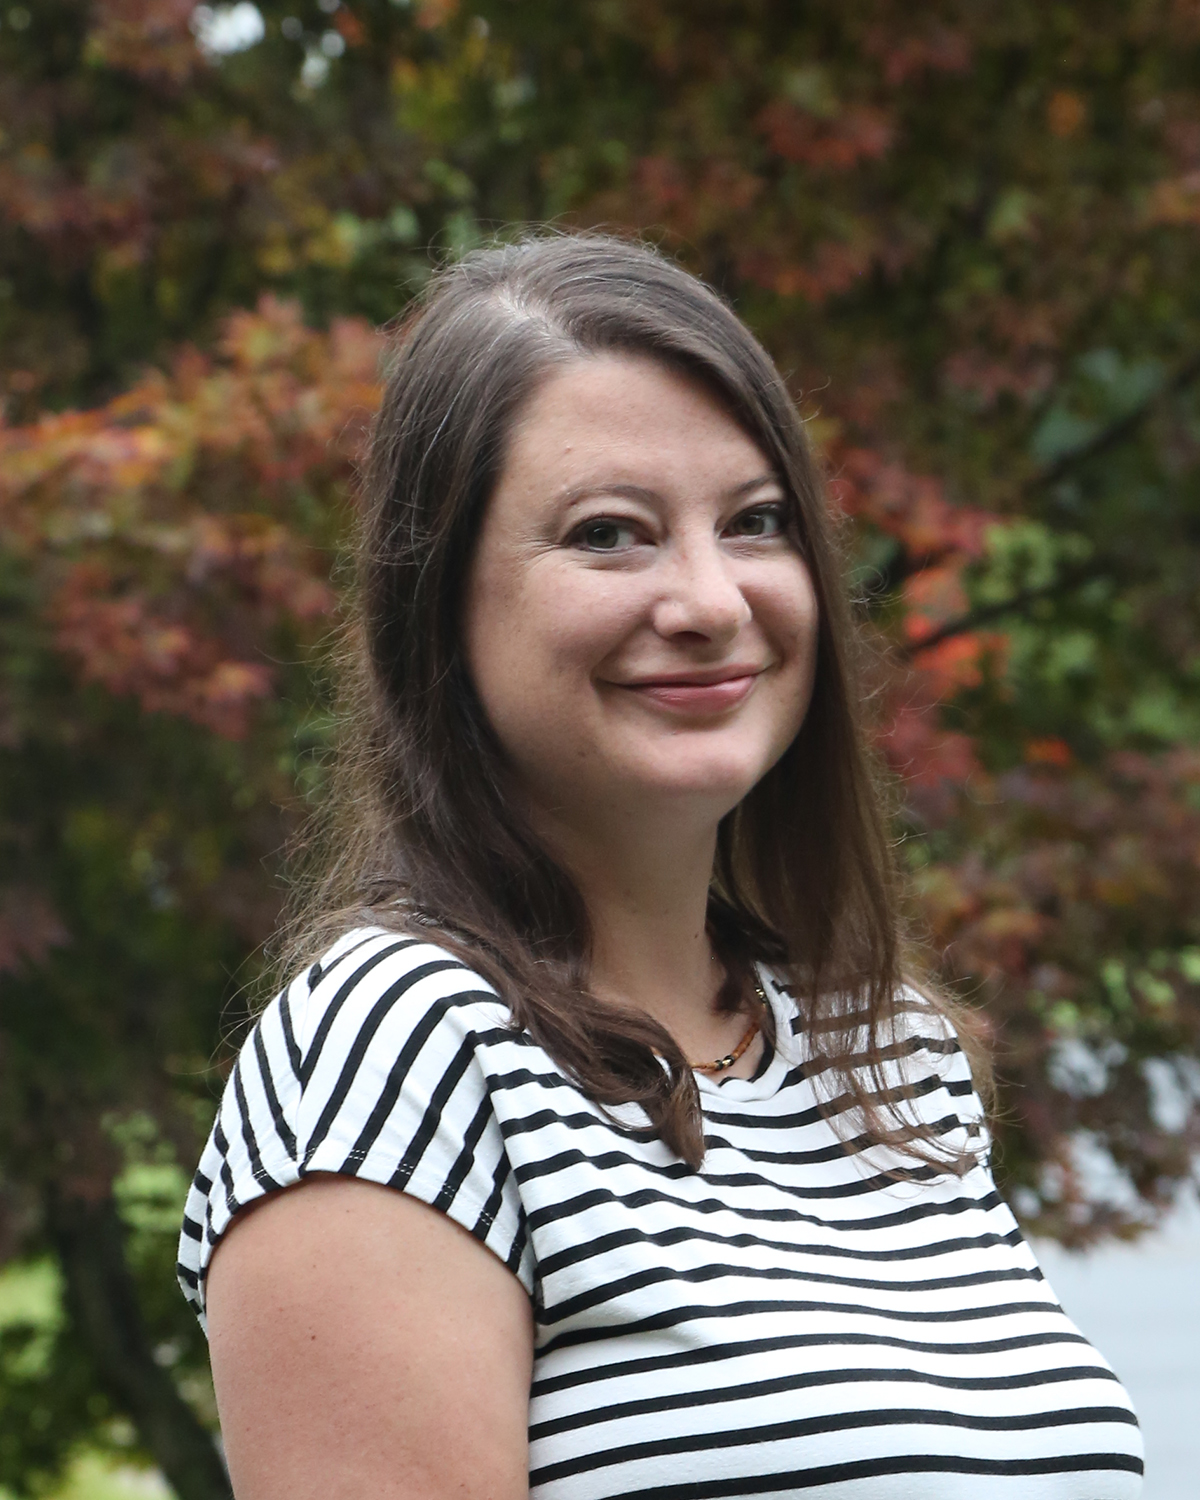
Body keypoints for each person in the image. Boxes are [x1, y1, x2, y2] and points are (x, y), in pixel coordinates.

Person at [177, 233, 1143, 1499]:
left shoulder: (885, 1053)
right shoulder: (397, 1055)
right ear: (444, 607)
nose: (709, 599)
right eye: (610, 534)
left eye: (755, 522)